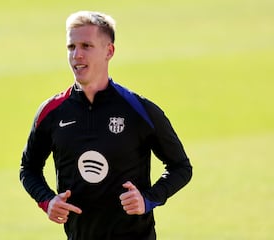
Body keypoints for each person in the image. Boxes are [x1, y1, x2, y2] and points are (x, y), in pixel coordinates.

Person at [20, 10, 192, 240]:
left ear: (109, 51)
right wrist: (47, 200)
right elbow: (28, 168)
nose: (76, 55)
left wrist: (148, 198)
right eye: (71, 47)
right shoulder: (51, 112)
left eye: (86, 46)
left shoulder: (139, 110)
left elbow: (181, 167)